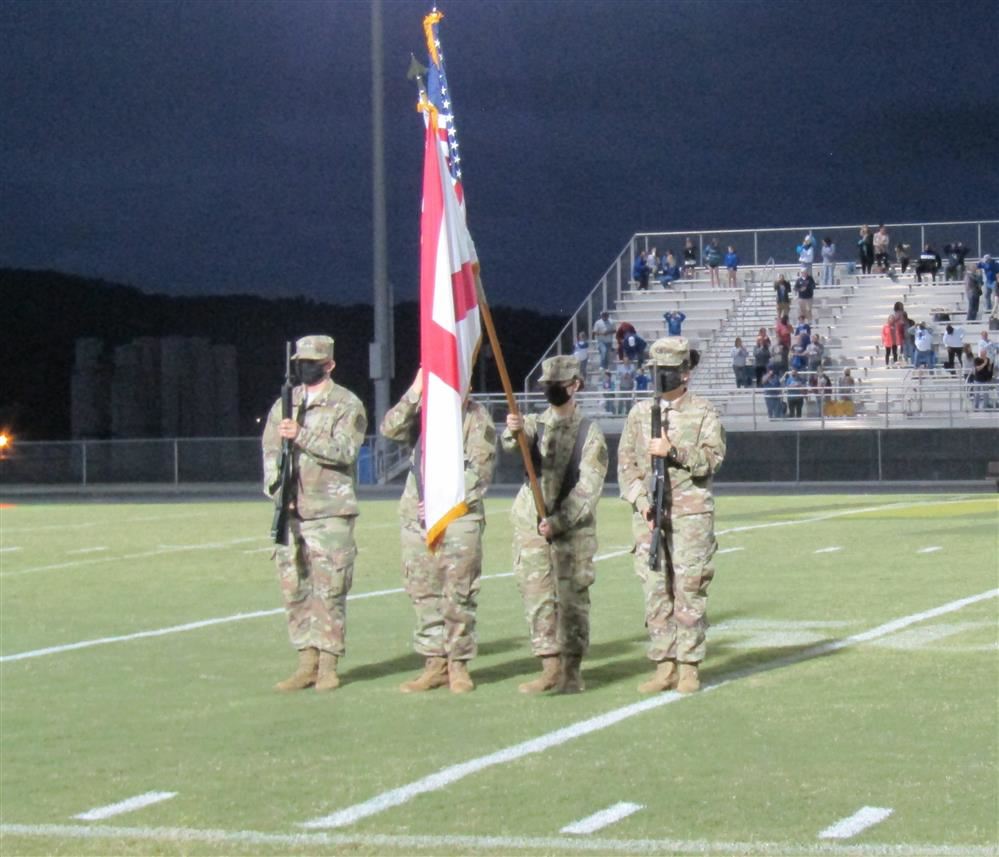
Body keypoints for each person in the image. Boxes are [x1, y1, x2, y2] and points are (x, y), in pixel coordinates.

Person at [617, 337, 726, 694]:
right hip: (650, 515)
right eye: (657, 371)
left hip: (690, 514)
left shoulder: (704, 412)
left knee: (689, 588)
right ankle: (664, 664)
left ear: (685, 373)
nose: (661, 377)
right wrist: (641, 502)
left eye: (668, 371)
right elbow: (627, 466)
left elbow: (712, 459)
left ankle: (689, 665)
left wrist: (674, 451)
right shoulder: (639, 414)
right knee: (655, 590)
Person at [380, 369, 497, 694]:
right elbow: (389, 429)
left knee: (458, 592)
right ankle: (434, 663)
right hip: (415, 516)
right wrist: (416, 389)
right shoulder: (423, 412)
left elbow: (481, 471)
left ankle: (458, 664)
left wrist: (442, 502)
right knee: (423, 591)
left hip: (458, 517)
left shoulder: (476, 417)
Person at [261, 335, 367, 693]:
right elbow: (270, 450)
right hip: (291, 513)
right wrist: (277, 489)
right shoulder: (285, 404)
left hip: (329, 511)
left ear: (329, 364)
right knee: (295, 588)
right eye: (300, 361)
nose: (305, 366)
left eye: (312, 361)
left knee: (330, 589)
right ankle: (305, 661)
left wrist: (302, 435)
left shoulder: (345, 404)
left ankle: (328, 665)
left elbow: (345, 451)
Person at [502, 356, 608, 694]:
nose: (550, 391)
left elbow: (588, 488)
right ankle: (548, 667)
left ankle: (571, 672)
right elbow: (511, 441)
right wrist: (513, 430)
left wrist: (559, 522)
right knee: (537, 597)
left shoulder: (589, 433)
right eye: (546, 386)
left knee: (572, 601)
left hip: (571, 532)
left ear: (574, 385)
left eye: (556, 385)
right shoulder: (535, 423)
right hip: (531, 525)